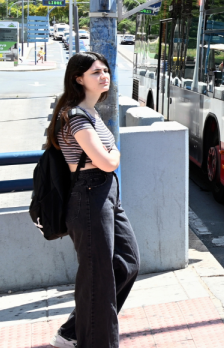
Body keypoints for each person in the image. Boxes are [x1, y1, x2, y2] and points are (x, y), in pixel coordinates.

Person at [48, 52, 139, 348]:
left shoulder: (92, 111)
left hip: (106, 193)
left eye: (105, 71)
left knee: (126, 263)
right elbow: (107, 160)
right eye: (95, 73)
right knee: (98, 276)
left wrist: (111, 158)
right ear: (78, 78)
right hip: (89, 195)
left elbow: (107, 162)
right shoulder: (76, 116)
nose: (104, 76)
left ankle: (72, 332)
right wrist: (115, 155)